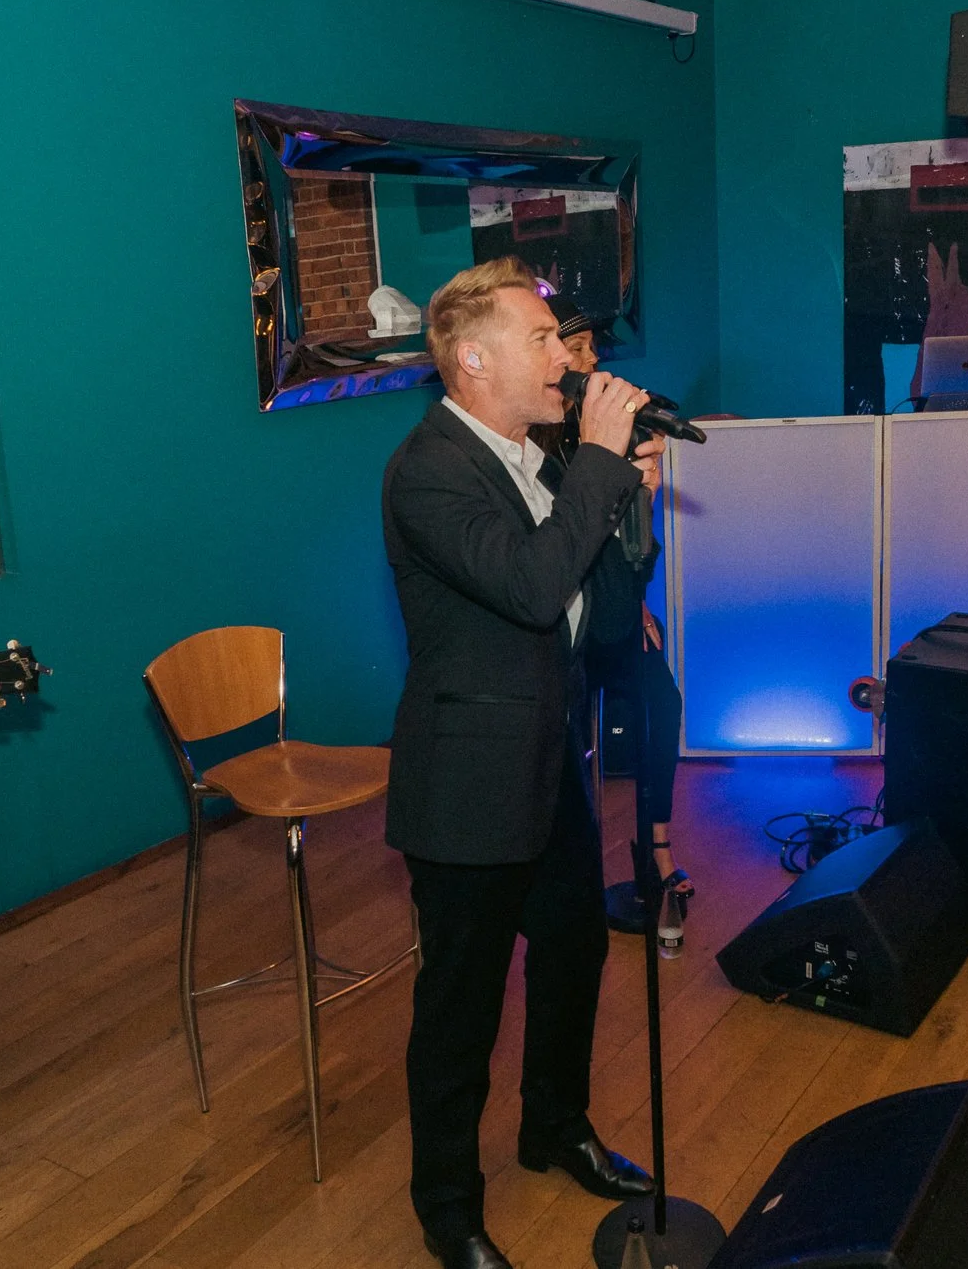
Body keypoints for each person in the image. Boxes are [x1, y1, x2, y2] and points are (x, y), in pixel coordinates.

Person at [381, 259, 661, 1269]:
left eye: (561, 339)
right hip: (467, 780)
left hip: (553, 761)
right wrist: (596, 461)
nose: (566, 355)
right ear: (471, 360)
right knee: (460, 1007)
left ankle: (556, 1127)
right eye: (542, 339)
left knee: (573, 959)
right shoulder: (428, 471)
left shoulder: (534, 457)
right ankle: (448, 1207)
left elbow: (601, 616)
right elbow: (535, 590)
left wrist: (628, 501)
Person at [525, 296, 691, 949]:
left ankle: (654, 847)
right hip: (559, 630)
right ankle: (568, 869)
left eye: (595, 347)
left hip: (615, 610)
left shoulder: (608, 441)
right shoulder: (539, 447)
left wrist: (644, 496)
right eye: (582, 347)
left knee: (661, 698)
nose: (594, 360)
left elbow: (634, 557)